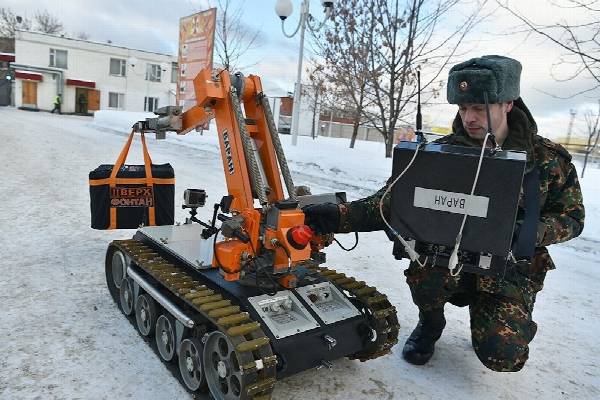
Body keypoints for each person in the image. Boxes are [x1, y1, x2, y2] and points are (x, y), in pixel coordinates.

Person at [303, 55, 585, 372]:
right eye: (463, 108)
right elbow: (391, 202)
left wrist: (531, 230)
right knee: (424, 273)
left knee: (503, 357)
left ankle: (513, 322)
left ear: (507, 103)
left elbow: (572, 218)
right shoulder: (440, 155)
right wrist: (338, 216)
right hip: (444, 264)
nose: (469, 117)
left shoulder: (545, 160)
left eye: (479, 107)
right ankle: (430, 323)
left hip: (505, 271)